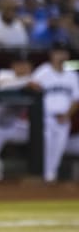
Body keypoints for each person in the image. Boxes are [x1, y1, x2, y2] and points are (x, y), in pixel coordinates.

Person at [0, 52, 35, 181]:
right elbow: (4, 85)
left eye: (25, 64)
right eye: (19, 64)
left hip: (14, 126)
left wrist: (30, 82)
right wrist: (28, 82)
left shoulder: (34, 80)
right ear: (13, 66)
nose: (23, 67)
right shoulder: (4, 74)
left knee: (44, 134)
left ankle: (41, 172)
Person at [30, 41, 79, 183]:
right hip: (46, 118)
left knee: (57, 152)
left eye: (63, 52)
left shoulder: (72, 75)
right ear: (52, 54)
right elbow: (31, 86)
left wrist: (67, 115)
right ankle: (44, 178)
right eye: (58, 52)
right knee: (45, 150)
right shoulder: (43, 71)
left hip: (64, 119)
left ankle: (50, 179)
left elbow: (76, 99)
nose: (61, 55)